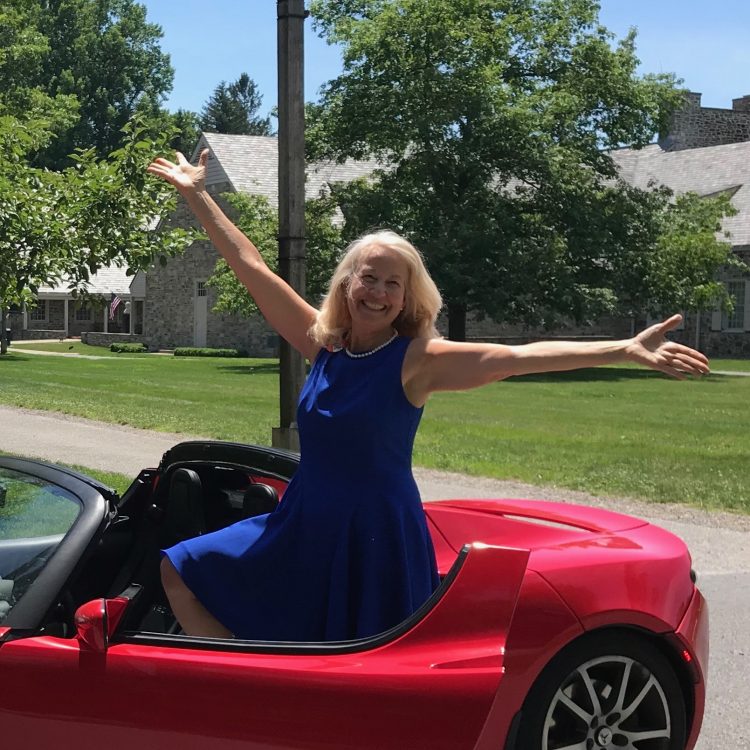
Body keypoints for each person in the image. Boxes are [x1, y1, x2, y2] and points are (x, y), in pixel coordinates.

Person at [147, 150, 710, 641]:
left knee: (361, 665)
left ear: (407, 298)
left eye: (394, 284)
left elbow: (515, 359)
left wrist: (622, 349)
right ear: (348, 282)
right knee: (181, 570)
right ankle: (250, 684)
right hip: (304, 523)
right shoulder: (325, 345)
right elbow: (252, 267)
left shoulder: (415, 362)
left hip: (376, 535)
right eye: (370, 277)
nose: (380, 292)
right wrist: (199, 197)